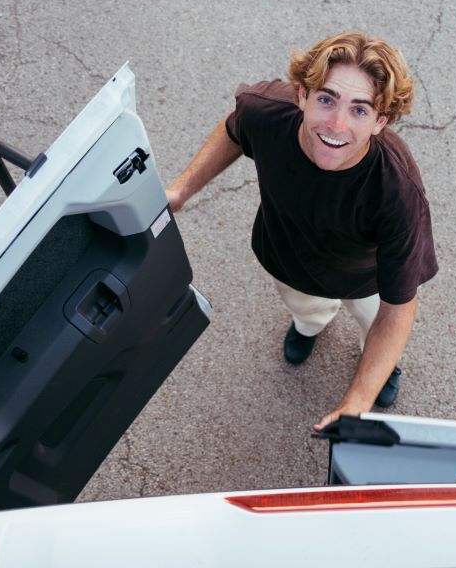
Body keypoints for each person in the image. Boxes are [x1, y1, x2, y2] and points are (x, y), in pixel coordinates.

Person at [165, 31, 437, 431]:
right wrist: (181, 190)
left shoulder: (397, 191)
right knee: (306, 310)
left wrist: (356, 402)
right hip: (287, 259)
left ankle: (379, 367)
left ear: (380, 122)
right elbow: (234, 128)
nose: (337, 124)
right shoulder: (266, 111)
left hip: (365, 279)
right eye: (326, 99)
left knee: (372, 324)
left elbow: (398, 310)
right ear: (302, 96)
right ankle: (310, 326)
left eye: (360, 110)